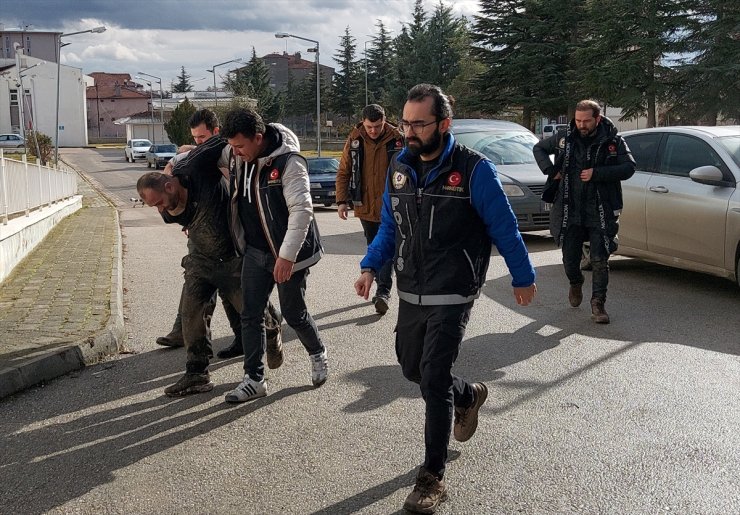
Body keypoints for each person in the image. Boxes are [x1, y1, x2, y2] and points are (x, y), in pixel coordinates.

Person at [354, 84, 537, 514]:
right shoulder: (399, 167)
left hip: (454, 288)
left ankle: (431, 478)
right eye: (406, 122)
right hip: (410, 287)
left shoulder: (474, 171)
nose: (410, 131)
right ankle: (468, 396)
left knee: (433, 379)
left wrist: (523, 276)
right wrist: (368, 265)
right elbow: (390, 227)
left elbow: (505, 228)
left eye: (419, 123)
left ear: (444, 124)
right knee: (411, 367)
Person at [218, 107, 328, 404]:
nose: (236, 153)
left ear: (258, 137)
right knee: (250, 314)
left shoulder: (289, 163)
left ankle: (318, 353)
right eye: (232, 147)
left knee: (293, 313)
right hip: (255, 252)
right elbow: (206, 154)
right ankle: (254, 379)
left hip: (287, 253)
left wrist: (287, 256)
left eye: (240, 146)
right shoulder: (238, 154)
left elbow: (302, 211)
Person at [157, 109, 283, 362]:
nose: (198, 143)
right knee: (200, 286)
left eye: (202, 137)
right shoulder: (205, 155)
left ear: (217, 132)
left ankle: (265, 325)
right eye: (195, 138)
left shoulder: (229, 154)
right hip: (205, 238)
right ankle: (190, 336)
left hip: (232, 235)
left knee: (235, 293)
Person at [533, 100, 635, 324]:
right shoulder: (564, 138)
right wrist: (551, 171)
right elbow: (539, 148)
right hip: (570, 209)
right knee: (570, 260)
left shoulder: (613, 140)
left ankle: (598, 304)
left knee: (599, 259)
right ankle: (575, 283)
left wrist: (597, 173)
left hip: (600, 209)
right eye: (578, 120)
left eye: (586, 121)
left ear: (597, 119)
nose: (581, 125)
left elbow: (629, 168)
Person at [335, 104, 403, 315]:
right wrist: (341, 201)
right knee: (373, 245)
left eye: (377, 126)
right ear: (363, 123)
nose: (373, 130)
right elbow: (344, 171)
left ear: (385, 121)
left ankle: (383, 292)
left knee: (388, 247)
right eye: (369, 126)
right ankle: (380, 288)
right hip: (365, 205)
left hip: (393, 205)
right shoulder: (355, 140)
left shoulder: (398, 139)